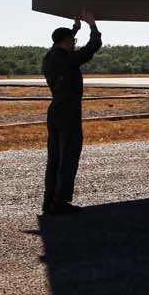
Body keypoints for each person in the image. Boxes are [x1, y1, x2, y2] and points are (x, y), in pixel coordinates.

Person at [41, 12, 102, 215]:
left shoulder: (49, 57)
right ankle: (59, 203)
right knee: (68, 157)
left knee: (54, 158)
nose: (74, 44)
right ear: (66, 42)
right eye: (72, 41)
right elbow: (92, 47)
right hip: (68, 113)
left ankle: (49, 201)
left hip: (55, 111)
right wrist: (92, 25)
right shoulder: (68, 60)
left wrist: (75, 28)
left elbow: (59, 44)